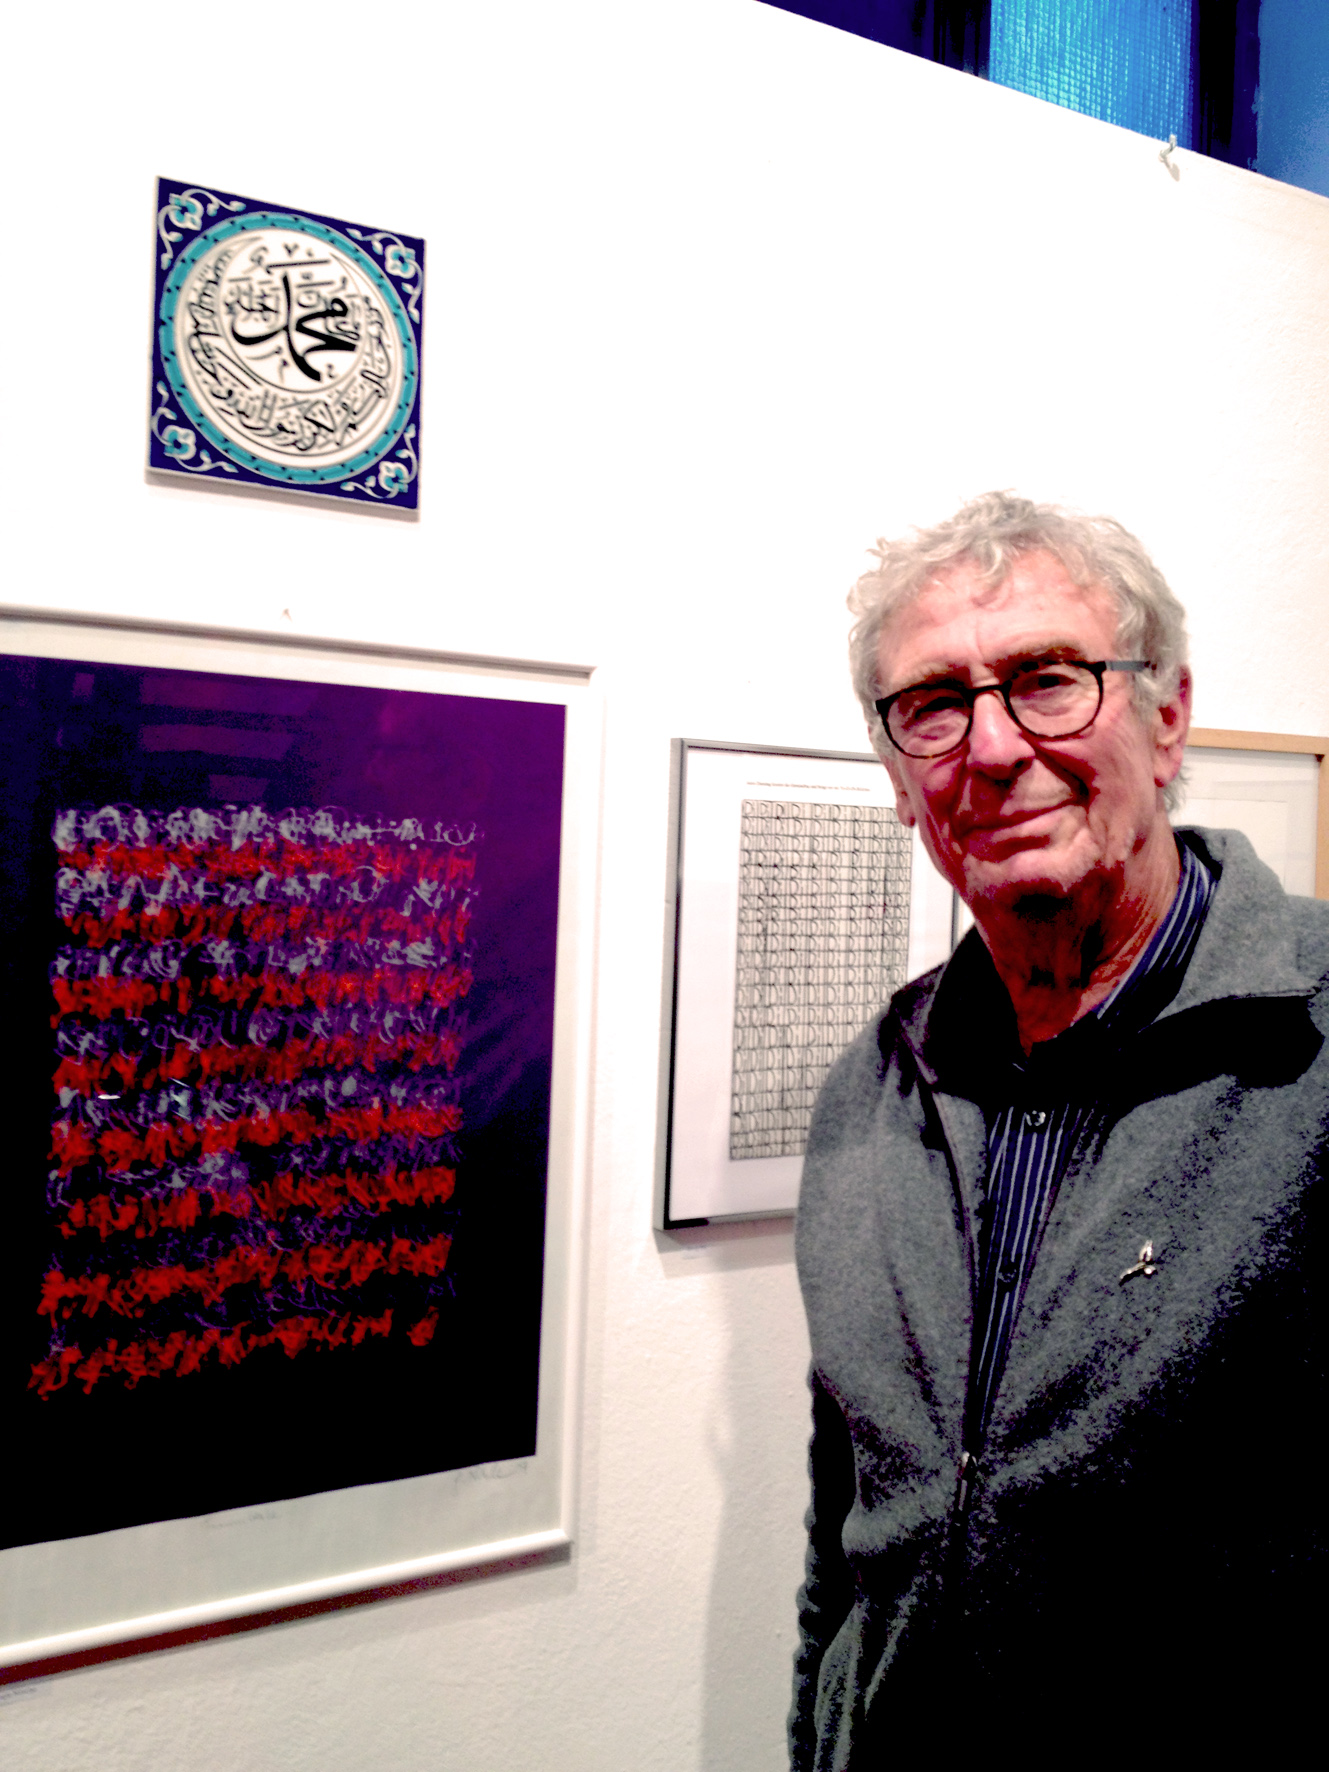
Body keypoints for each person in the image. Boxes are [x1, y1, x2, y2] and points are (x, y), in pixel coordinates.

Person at [790, 492, 1324, 1766]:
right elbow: (846, 1540)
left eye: (1047, 680)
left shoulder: (1313, 1042)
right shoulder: (873, 1087)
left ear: (1168, 713)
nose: (991, 747)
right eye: (934, 704)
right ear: (900, 772)